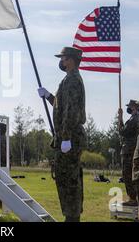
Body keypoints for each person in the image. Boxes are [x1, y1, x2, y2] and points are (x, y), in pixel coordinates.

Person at [38, 46, 86, 222]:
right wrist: (49, 96)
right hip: (68, 137)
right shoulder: (68, 79)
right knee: (65, 179)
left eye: (63, 58)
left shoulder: (72, 80)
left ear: (71, 60)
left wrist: (65, 138)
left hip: (70, 138)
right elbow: (62, 107)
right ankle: (70, 216)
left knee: (69, 181)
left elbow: (71, 112)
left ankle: (72, 218)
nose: (61, 61)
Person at [118, 99, 139, 206]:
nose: (129, 108)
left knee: (127, 174)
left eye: (130, 106)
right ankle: (132, 197)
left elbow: (122, 132)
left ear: (134, 107)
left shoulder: (134, 119)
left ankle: (132, 198)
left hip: (129, 151)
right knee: (128, 174)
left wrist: (120, 117)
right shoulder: (134, 119)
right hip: (129, 150)